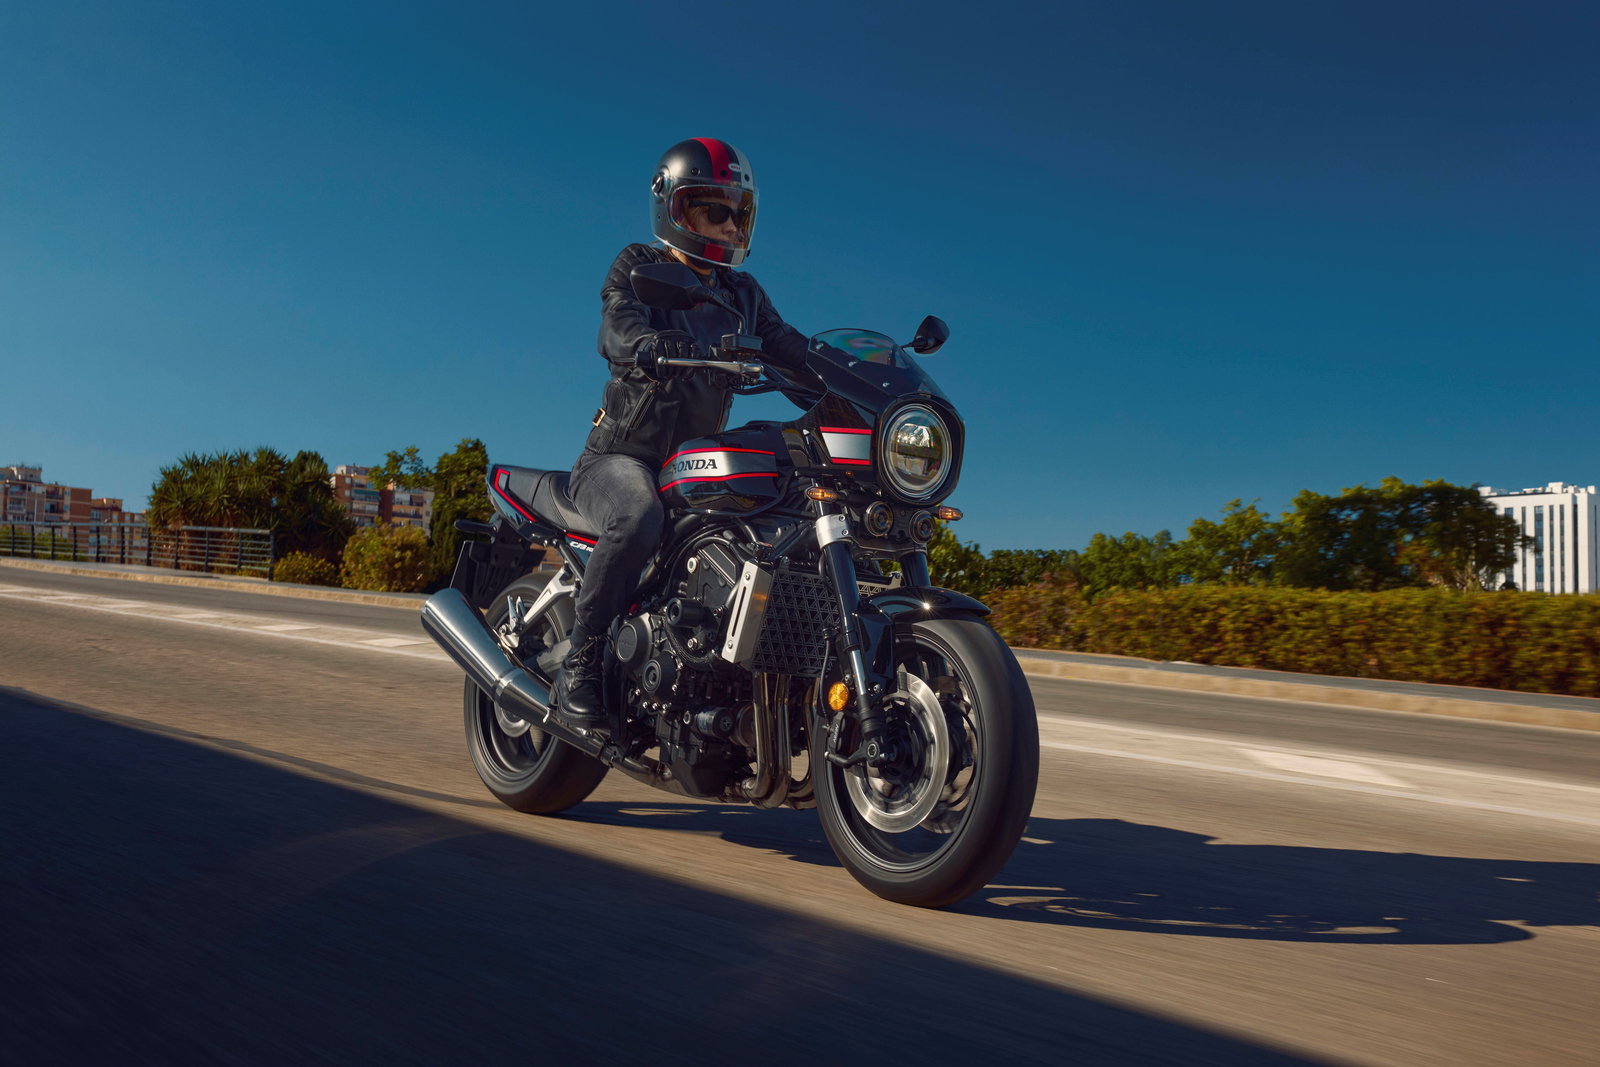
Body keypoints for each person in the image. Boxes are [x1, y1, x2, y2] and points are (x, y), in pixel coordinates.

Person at [553, 138, 812, 727]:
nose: (725, 224)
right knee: (637, 516)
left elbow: (791, 349)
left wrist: (851, 380)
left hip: (691, 466)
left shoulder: (743, 295)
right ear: (673, 207)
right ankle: (583, 666)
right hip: (620, 458)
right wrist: (645, 345)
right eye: (710, 209)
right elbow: (617, 323)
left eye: (735, 212)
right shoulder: (640, 265)